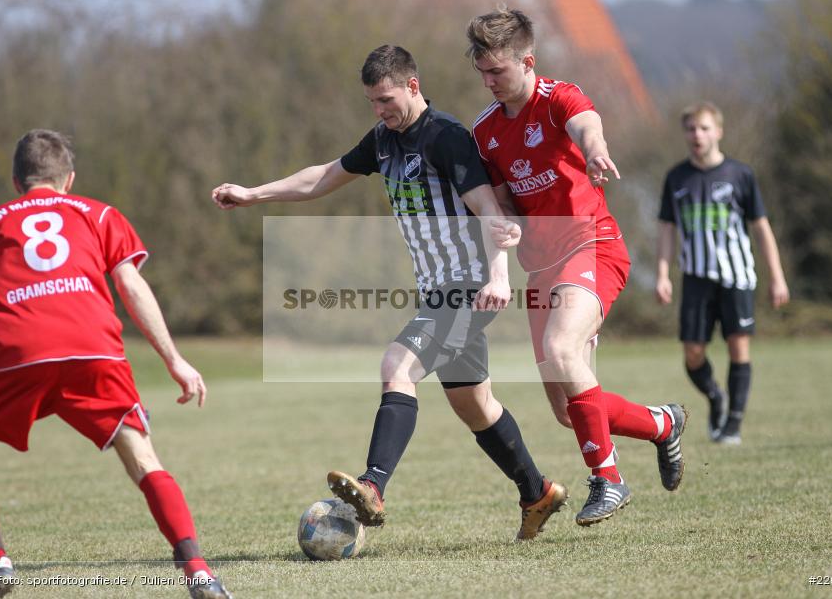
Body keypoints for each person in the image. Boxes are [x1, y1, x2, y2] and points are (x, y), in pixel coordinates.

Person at [212, 45, 567, 541]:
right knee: (473, 403)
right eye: (372, 102)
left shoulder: (446, 137)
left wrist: (498, 275)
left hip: (466, 286)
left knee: (397, 366)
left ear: (412, 86)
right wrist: (253, 194)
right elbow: (323, 177)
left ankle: (373, 485)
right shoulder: (383, 142)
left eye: (385, 99)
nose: (379, 110)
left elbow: (489, 208)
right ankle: (538, 492)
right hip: (437, 290)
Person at [0, 130, 231, 599]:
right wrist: (175, 360)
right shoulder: (98, 214)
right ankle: (198, 572)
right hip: (93, 349)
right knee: (143, 459)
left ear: (16, 182)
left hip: (19, 352)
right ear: (69, 179)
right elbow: (131, 287)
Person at [466, 8, 688, 527]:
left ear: (527, 61)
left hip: (592, 246)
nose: (489, 82)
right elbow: (501, 204)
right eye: (482, 72)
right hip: (541, 270)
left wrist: (595, 151)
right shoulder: (485, 130)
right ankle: (662, 424)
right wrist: (503, 228)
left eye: (497, 70)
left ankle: (608, 480)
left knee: (562, 350)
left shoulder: (558, 97)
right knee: (569, 411)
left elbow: (587, 125)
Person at [656, 101, 789, 444]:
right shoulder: (676, 177)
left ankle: (733, 424)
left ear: (718, 132)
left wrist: (777, 276)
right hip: (695, 277)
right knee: (693, 353)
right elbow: (667, 228)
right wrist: (662, 274)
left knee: (738, 347)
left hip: (737, 277)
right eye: (691, 129)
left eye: (703, 128)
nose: (697, 135)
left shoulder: (740, 174)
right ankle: (715, 396)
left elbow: (761, 227)